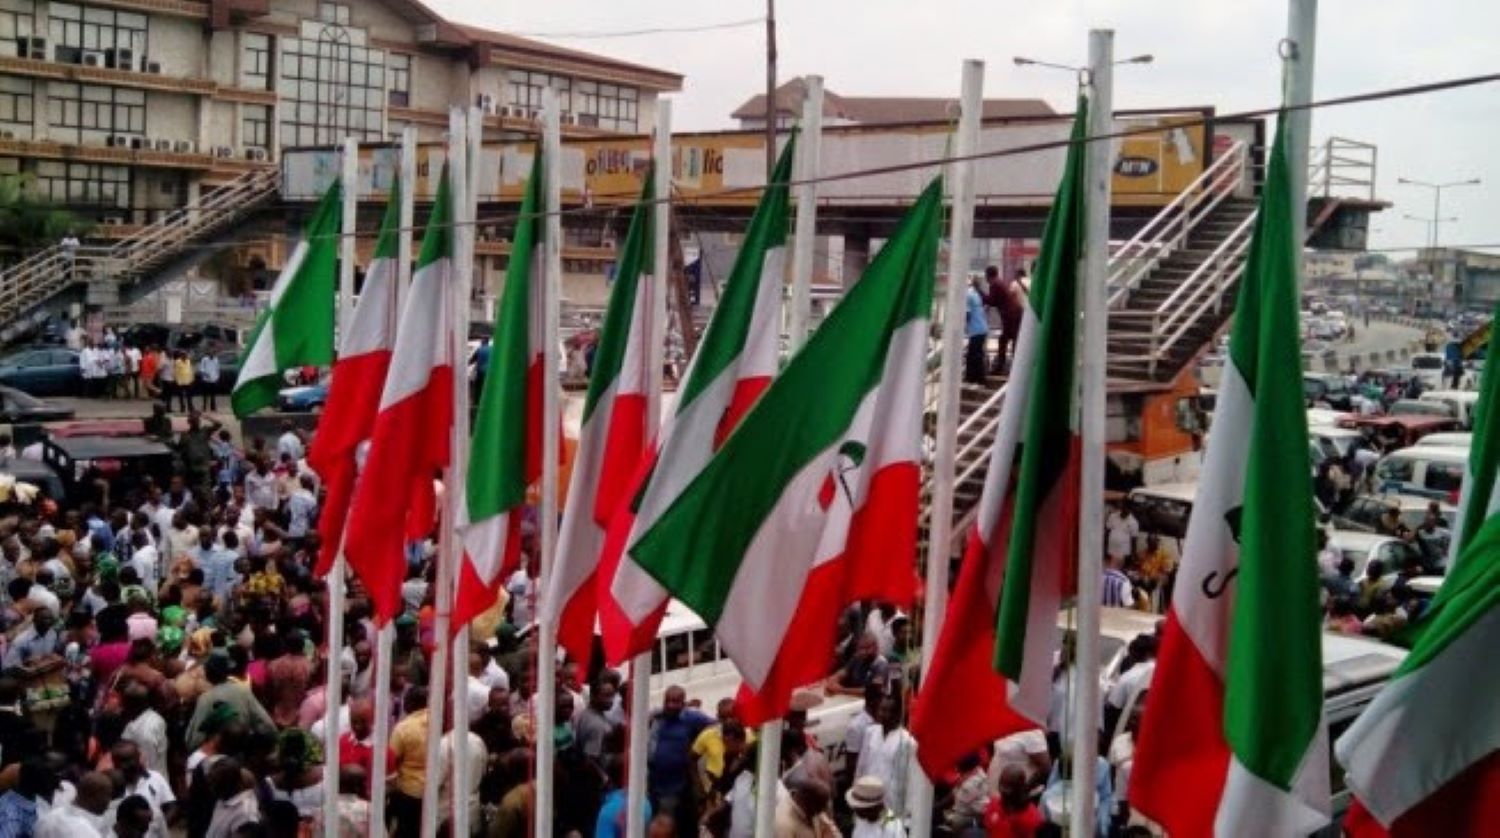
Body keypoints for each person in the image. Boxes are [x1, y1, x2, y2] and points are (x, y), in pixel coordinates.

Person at [647, 685, 712, 836]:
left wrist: (698, 745)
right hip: (655, 784)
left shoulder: (692, 718)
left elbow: (715, 726)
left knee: (666, 825)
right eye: (667, 701)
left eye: (675, 701)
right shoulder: (657, 717)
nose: (670, 705)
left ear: (683, 703)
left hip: (675, 786)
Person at [854, 693, 916, 818]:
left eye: (888, 711)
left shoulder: (906, 741)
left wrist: (908, 812)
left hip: (891, 803)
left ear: (898, 714)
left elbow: (910, 779)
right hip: (868, 798)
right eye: (881, 709)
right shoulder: (870, 732)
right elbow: (861, 765)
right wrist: (856, 790)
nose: (883, 714)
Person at [388, 686, 431, 838]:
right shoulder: (439, 722)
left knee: (408, 830)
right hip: (433, 790)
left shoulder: (403, 729)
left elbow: (392, 759)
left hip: (409, 792)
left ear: (409, 704)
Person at [36, 769, 112, 836]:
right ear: (93, 795)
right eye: (107, 795)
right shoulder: (89, 832)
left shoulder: (48, 817)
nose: (109, 801)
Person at [984, 764, 1045, 838]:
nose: (1003, 790)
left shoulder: (1032, 818)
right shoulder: (993, 804)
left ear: (1020, 787)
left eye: (1008, 787)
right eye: (1002, 785)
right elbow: (988, 831)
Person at [965, 275, 989, 384]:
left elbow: (968, 314)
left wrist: (965, 327)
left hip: (975, 329)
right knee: (975, 354)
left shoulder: (968, 294)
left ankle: (978, 378)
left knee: (974, 355)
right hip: (982, 328)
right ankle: (973, 377)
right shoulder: (977, 294)